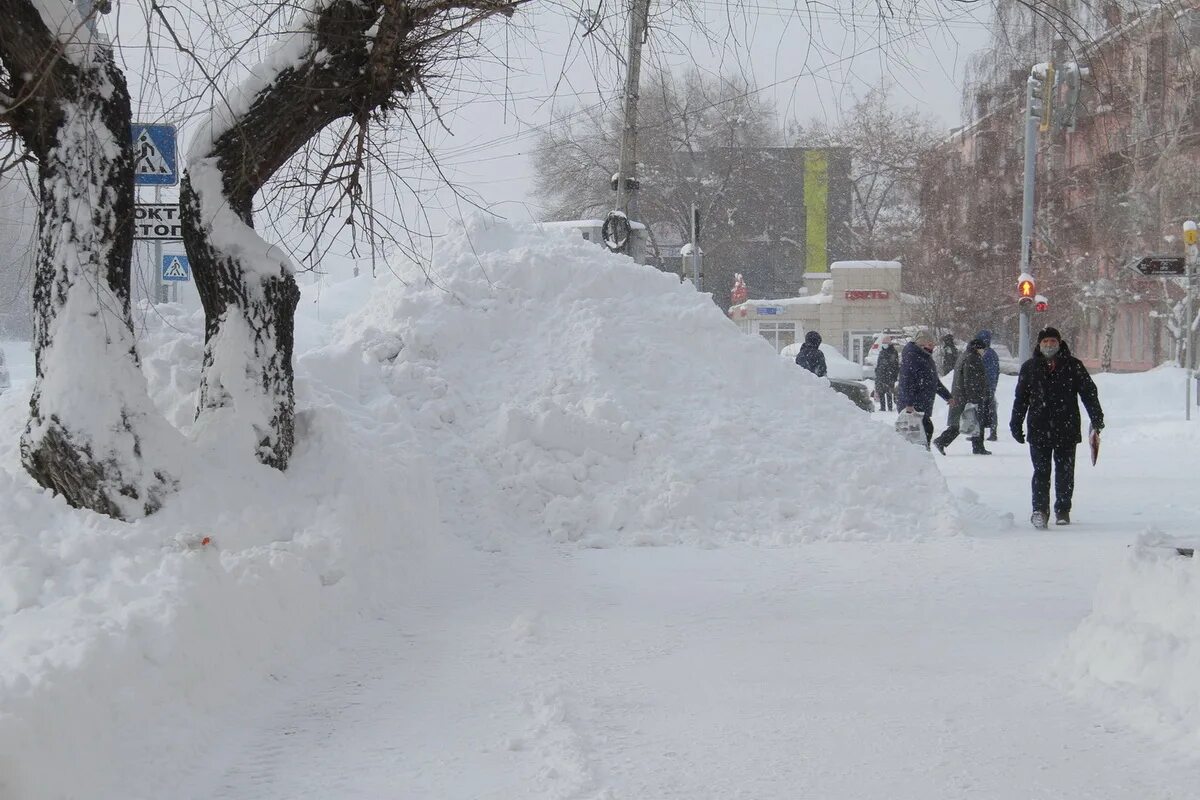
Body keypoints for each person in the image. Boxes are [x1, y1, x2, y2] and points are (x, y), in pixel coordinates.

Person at [1010, 326, 1104, 529]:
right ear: (1039, 344)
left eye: (1053, 341)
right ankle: (1040, 511)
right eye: (1045, 342)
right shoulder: (1030, 367)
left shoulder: (1073, 366)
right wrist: (1015, 423)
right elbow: (1021, 399)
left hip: (1066, 428)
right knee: (1041, 472)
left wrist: (1096, 418)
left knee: (1065, 472)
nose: (1049, 345)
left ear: (1059, 343)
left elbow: (1089, 393)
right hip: (1039, 428)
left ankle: (1062, 510)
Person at [933, 338, 991, 456]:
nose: (983, 351)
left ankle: (977, 446)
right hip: (968, 396)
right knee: (968, 421)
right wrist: (973, 398)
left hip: (961, 394)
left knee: (969, 421)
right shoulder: (973, 358)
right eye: (982, 349)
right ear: (977, 348)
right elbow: (970, 380)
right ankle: (942, 441)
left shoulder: (966, 355)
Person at [897, 329, 952, 449]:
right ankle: (920, 458)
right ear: (921, 343)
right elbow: (907, 382)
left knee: (925, 431)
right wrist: (909, 403)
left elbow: (934, 381)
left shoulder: (925, 357)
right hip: (913, 405)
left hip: (921, 403)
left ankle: (922, 457)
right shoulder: (912, 357)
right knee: (922, 433)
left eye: (933, 344)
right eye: (930, 344)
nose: (932, 347)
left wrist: (947, 396)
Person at [976, 329, 1001, 441]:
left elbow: (981, 371)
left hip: (983, 386)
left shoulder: (983, 353)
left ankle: (978, 433)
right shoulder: (992, 354)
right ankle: (992, 431)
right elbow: (996, 372)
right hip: (990, 386)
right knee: (991, 409)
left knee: (981, 409)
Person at [874, 338, 900, 412]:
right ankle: (882, 407)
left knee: (889, 393)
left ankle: (890, 408)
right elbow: (879, 364)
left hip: (889, 376)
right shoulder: (881, 352)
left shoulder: (893, 352)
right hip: (881, 375)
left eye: (885, 343)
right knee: (881, 392)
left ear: (889, 344)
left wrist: (894, 376)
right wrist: (877, 372)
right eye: (883, 343)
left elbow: (895, 365)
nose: (884, 345)